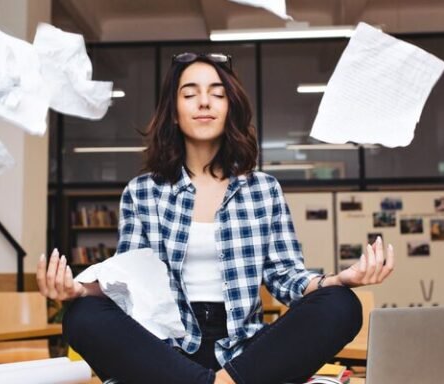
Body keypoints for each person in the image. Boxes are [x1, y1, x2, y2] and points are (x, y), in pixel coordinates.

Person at [38, 52, 395, 384]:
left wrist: (337, 280)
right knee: (82, 316)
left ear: (230, 109)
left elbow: (286, 278)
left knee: (342, 305)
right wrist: (77, 290)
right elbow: (129, 283)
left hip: (248, 352)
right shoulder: (142, 191)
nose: (204, 102)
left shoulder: (263, 189)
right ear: (174, 112)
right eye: (190, 93)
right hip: (168, 351)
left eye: (217, 94)